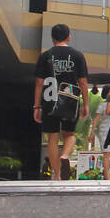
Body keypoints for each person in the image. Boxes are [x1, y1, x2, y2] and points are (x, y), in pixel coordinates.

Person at [33, 23, 90, 181]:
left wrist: (37, 106)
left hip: (49, 100)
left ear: (52, 38)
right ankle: (65, 156)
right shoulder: (77, 55)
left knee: (52, 137)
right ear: (68, 36)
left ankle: (57, 175)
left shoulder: (45, 56)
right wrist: (85, 104)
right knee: (69, 134)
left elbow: (39, 83)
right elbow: (83, 82)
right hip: (70, 100)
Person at [91, 85, 110, 179]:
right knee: (106, 154)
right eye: (109, 92)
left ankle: (104, 170)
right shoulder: (102, 105)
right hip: (105, 131)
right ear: (105, 93)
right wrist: (92, 133)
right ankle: (107, 178)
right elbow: (95, 120)